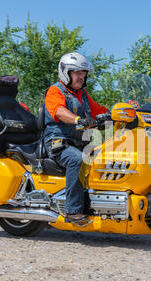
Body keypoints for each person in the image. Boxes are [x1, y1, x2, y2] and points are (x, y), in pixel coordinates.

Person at [44, 52, 109, 225]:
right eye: (77, 72)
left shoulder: (83, 95)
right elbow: (59, 111)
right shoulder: (55, 91)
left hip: (79, 142)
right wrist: (78, 119)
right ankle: (72, 211)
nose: (81, 76)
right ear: (66, 72)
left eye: (83, 73)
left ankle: (94, 204)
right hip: (58, 143)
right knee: (78, 160)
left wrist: (119, 113)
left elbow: (100, 110)